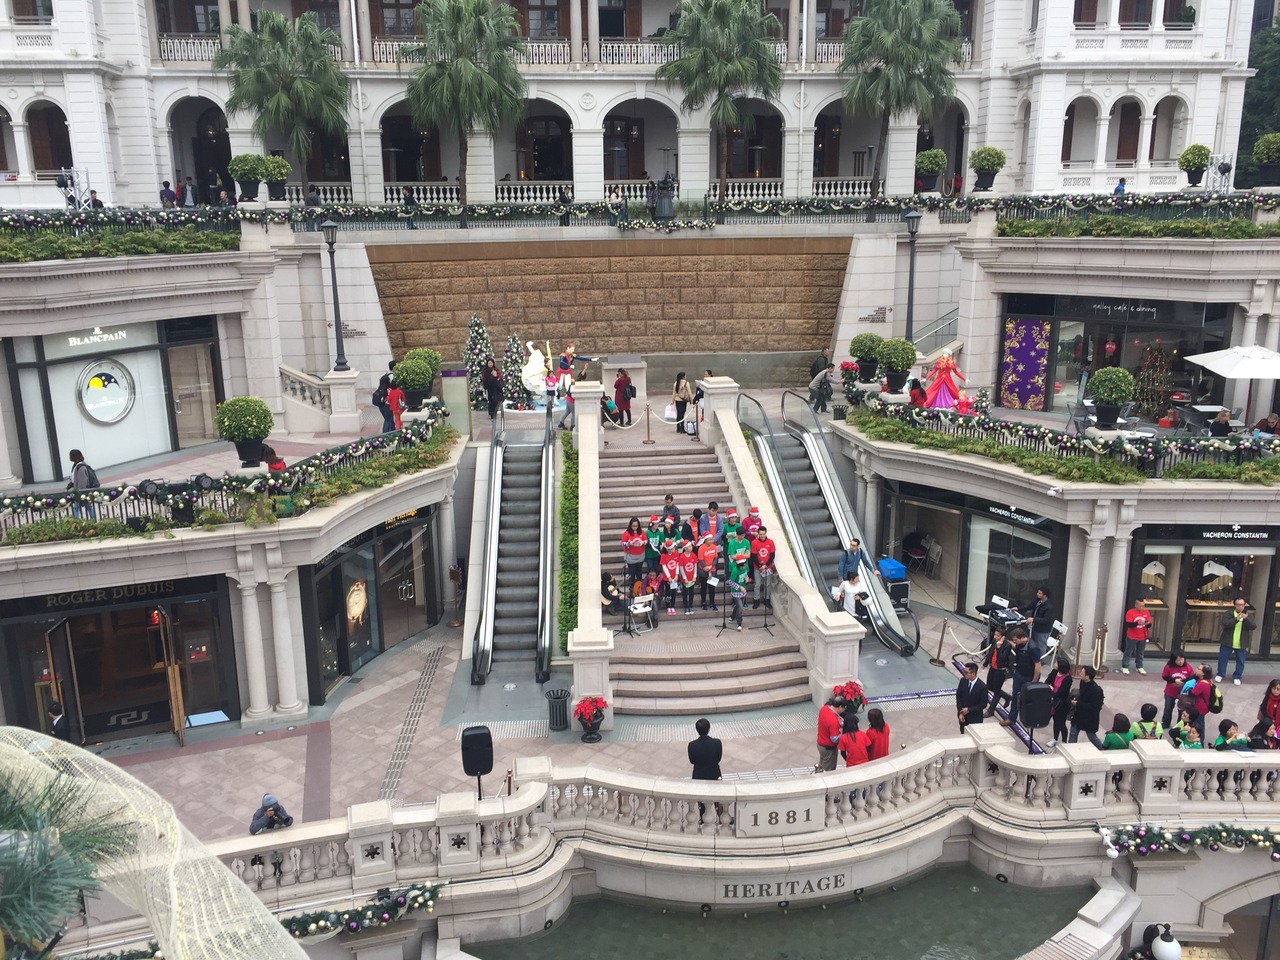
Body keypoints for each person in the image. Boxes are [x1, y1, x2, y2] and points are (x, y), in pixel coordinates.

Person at [1000, 628, 1040, 727]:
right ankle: (1011, 718)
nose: (1015, 642)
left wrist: (1034, 681)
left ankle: (1029, 719)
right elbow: (1014, 646)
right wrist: (1005, 641)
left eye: (1016, 640)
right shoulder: (1019, 644)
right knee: (1015, 696)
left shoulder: (1033, 648)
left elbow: (1037, 665)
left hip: (1029, 676)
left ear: (1022, 638)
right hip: (1019, 674)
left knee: (1028, 698)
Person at [1216, 596, 1255, 684]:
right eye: (1237, 605)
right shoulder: (1228, 614)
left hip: (1241, 643)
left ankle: (1237, 676)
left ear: (1245, 605)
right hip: (1227, 642)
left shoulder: (1248, 616)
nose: (1240, 607)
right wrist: (1237, 618)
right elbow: (1226, 624)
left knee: (1240, 661)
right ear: (1234, 605)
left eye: (1241, 605)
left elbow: (1253, 626)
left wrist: (1246, 619)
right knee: (1223, 659)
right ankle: (1220, 674)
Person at [1068, 665, 1105, 749]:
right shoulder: (1082, 682)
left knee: (1092, 736)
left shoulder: (1096, 690)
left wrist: (1078, 704)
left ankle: (1101, 749)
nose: (1080, 674)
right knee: (1073, 732)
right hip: (1079, 714)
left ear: (1087, 676)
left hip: (1089, 717)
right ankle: (1070, 749)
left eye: (1082, 673)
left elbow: (1095, 707)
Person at [983, 627, 1013, 719]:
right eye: (995, 635)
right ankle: (1006, 696)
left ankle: (991, 710)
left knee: (996, 691)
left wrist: (999, 648)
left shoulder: (1007, 645)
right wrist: (985, 663)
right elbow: (990, 653)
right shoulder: (994, 641)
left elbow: (1003, 657)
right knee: (989, 686)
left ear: (1003, 637)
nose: (995, 637)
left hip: (1000, 670)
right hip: (992, 667)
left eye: (998, 636)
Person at [1161, 651, 1195, 729]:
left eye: (1182, 659)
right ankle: (1166, 723)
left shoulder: (1188, 667)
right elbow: (1165, 676)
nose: (1180, 662)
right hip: (1170, 691)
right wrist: (1174, 680)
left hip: (1183, 693)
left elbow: (1192, 678)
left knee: (1182, 710)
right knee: (1168, 708)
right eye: (1178, 660)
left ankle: (1180, 724)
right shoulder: (1169, 666)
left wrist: (1183, 682)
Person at [1047, 656, 1073, 747]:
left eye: (1056, 663)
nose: (1055, 664)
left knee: (1061, 723)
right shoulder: (1054, 672)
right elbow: (1047, 681)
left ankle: (1064, 741)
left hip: (1062, 704)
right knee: (1055, 721)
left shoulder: (1068, 679)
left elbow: (1062, 692)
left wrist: (1052, 690)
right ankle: (1055, 738)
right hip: (1053, 702)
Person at [816, 695, 847, 771]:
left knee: (822, 764)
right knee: (829, 770)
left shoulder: (824, 708)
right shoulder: (833, 721)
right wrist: (843, 734)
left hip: (820, 743)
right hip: (828, 749)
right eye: (844, 708)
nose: (844, 710)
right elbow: (834, 739)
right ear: (840, 707)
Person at [956, 662, 988, 734]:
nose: (964, 673)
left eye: (966, 672)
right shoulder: (963, 681)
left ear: (973, 673)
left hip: (975, 719)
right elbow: (959, 697)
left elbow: (983, 704)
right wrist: (960, 712)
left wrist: (969, 709)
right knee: (962, 734)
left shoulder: (982, 687)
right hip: (963, 718)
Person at [1122, 598, 1151, 674]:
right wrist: (1137, 623)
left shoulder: (1146, 612)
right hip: (1132, 636)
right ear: (1136, 605)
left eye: (1143, 606)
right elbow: (1128, 624)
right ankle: (1125, 666)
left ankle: (1139, 666)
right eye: (1140, 606)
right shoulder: (1130, 612)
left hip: (1143, 636)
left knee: (1140, 652)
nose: (1142, 608)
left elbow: (1149, 625)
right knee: (1128, 651)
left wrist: (1147, 624)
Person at [67, 449, 99, 519]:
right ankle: (92, 519)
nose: (69, 457)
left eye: (70, 455)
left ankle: (76, 521)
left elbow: (83, 481)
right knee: (87, 507)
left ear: (74, 456)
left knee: (78, 507)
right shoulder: (78, 465)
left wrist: (80, 493)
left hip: (81, 492)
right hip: (82, 491)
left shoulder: (80, 467)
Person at [750, 526, 776, 610]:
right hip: (757, 567)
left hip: (767, 567)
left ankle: (766, 599)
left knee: (767, 584)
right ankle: (756, 600)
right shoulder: (754, 542)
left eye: (763, 534)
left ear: (766, 533)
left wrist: (766, 565)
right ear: (758, 534)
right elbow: (753, 556)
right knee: (757, 584)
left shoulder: (770, 542)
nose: (762, 536)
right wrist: (760, 566)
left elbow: (772, 555)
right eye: (760, 534)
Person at [1028, 587, 1054, 660]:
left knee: (1041, 647)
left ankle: (1040, 661)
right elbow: (1029, 606)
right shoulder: (1038, 601)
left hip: (1043, 631)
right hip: (1035, 627)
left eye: (1040, 593)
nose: (1037, 594)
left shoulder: (1049, 607)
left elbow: (1046, 620)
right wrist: (1018, 608)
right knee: (1033, 645)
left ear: (1044, 595)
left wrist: (1033, 619)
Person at [621, 517, 647, 588]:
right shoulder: (627, 533)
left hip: (640, 555)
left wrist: (643, 542)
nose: (635, 528)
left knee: (639, 572)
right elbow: (622, 543)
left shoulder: (642, 532)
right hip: (630, 556)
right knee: (632, 572)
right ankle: (632, 586)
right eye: (633, 526)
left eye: (636, 526)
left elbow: (646, 540)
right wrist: (629, 543)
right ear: (630, 525)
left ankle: (639, 586)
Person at [696, 533, 719, 612]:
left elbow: (716, 558)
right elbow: (701, 560)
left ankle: (712, 603)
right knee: (703, 587)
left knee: (712, 588)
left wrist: (710, 566)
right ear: (705, 540)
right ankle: (703, 602)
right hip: (703, 570)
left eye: (712, 539)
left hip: (712, 569)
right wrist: (707, 568)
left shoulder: (714, 547)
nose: (711, 541)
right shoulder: (701, 548)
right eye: (710, 540)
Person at [677, 539, 699, 615]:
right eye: (689, 546)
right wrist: (684, 577)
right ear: (685, 548)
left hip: (692, 578)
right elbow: (681, 568)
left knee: (691, 592)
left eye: (691, 546)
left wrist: (695, 576)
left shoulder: (693, 555)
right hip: (685, 578)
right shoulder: (681, 557)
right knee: (685, 593)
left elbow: (695, 566)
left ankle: (690, 605)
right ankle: (686, 606)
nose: (691, 547)